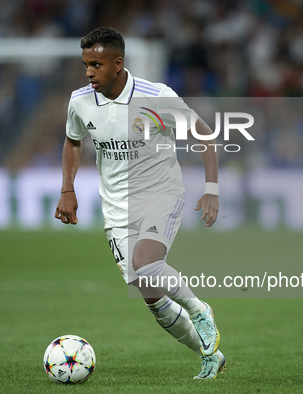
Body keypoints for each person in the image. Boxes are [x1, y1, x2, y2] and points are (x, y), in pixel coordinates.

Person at [55, 27, 225, 380]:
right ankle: (210, 354)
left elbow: (203, 133)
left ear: (118, 63)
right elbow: (73, 142)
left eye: (96, 65)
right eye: (86, 64)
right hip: (116, 208)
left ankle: (199, 309)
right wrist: (67, 190)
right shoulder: (80, 101)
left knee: (146, 263)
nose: (89, 72)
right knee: (149, 293)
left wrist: (211, 187)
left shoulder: (155, 97)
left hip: (160, 195)